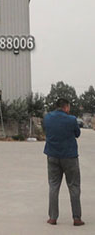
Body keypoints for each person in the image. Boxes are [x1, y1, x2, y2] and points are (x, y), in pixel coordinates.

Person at [43, 97, 84, 227]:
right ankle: (76, 218)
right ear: (66, 107)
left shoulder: (47, 118)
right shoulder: (71, 119)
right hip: (69, 156)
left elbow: (46, 131)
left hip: (52, 155)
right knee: (74, 186)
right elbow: (77, 134)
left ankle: (52, 217)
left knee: (53, 186)